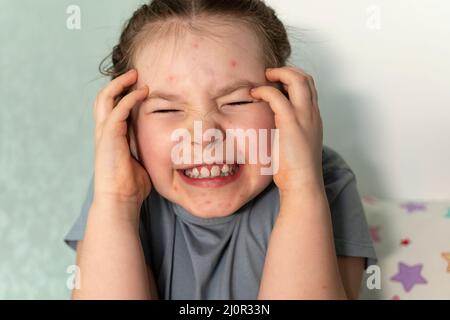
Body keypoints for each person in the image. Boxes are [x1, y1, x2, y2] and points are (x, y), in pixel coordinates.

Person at [64, 0, 377, 300]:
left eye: (237, 102)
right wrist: (115, 201)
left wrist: (301, 186)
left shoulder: (323, 178)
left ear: (287, 105)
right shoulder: (121, 187)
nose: (205, 135)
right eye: (166, 110)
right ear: (128, 127)